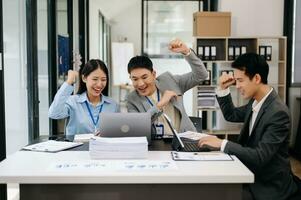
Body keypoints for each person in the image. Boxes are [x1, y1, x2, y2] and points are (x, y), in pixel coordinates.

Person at [197, 53, 298, 200]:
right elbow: (231, 115)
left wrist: (222, 143)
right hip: (250, 172)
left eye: (240, 81)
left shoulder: (278, 113)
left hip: (267, 185)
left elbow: (259, 157)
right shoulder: (256, 101)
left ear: (257, 78)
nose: (237, 86)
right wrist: (223, 88)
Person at [126, 39, 208, 139]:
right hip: (155, 144)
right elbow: (137, 126)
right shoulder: (132, 99)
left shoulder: (170, 81)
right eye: (135, 79)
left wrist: (187, 52)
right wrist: (160, 104)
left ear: (153, 74)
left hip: (184, 139)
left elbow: (201, 75)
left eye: (144, 77)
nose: (140, 84)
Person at [49, 59, 119, 135]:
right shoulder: (73, 102)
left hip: (103, 146)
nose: (99, 84)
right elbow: (53, 113)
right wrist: (69, 81)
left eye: (103, 80)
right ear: (84, 78)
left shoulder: (113, 105)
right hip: (78, 146)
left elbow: (118, 132)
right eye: (95, 79)